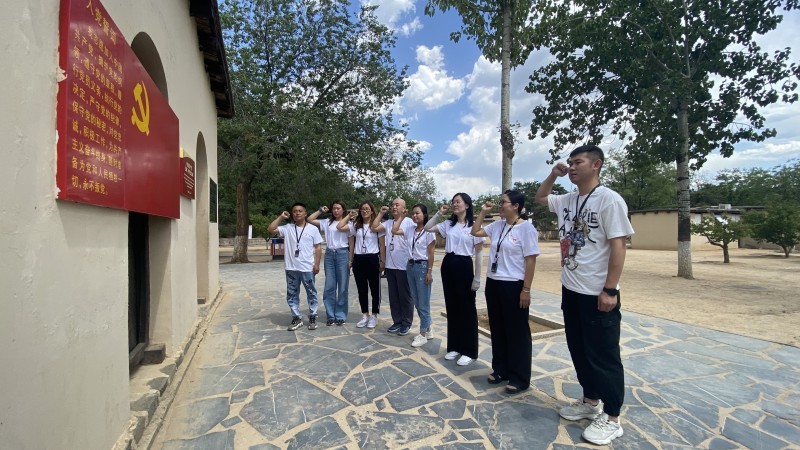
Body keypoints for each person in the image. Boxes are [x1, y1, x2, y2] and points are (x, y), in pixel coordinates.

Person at [535, 145, 634, 446]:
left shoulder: (609, 200)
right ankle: (590, 402)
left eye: (578, 162)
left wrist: (610, 289)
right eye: (570, 162)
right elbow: (541, 198)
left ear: (596, 165)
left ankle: (613, 418)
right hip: (571, 288)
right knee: (579, 349)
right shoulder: (568, 199)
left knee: (604, 355)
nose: (572, 167)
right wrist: (553, 175)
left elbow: (619, 246)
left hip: (596, 292)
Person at [472, 190, 540, 394]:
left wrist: (526, 289)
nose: (500, 205)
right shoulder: (497, 225)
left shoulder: (526, 229)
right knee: (498, 328)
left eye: (504, 202)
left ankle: (519, 377)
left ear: (516, 206)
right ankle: (501, 369)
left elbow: (530, 261)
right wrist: (483, 213)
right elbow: (475, 231)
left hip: (514, 285)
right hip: (494, 283)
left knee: (517, 332)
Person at [425, 193, 484, 366]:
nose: (454, 204)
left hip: (464, 265)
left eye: (458, 201)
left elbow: (479, 252)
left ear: (467, 205)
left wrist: (477, 277)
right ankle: (455, 346)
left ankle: (469, 350)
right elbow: (427, 227)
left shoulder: (474, 226)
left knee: (467, 308)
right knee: (452, 306)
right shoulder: (448, 224)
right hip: (449, 263)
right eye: (453, 202)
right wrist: (439, 213)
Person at [268, 203, 323, 331]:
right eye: (295, 211)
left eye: (300, 211)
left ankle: (313, 316)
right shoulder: (287, 228)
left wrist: (317, 264)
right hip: (291, 267)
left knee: (311, 292)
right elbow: (271, 229)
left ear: (305, 213)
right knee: (292, 294)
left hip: (307, 268)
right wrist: (281, 217)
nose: (297, 213)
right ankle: (296, 317)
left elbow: (318, 247)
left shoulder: (313, 229)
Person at [392, 203, 436, 347]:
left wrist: (429, 271)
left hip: (422, 266)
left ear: (424, 215)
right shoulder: (410, 229)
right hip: (410, 266)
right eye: (413, 213)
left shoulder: (429, 231)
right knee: (417, 301)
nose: (415, 215)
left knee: (423, 302)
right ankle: (428, 328)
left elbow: (431, 253)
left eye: (418, 213)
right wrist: (401, 217)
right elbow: (394, 230)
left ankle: (422, 334)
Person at [338, 201, 385, 329]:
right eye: (362, 209)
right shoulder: (356, 225)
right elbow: (340, 226)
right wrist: (349, 215)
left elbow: (382, 245)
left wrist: (382, 261)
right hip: (359, 259)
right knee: (361, 289)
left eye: (367, 209)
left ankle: (374, 315)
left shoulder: (377, 226)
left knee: (375, 289)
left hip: (372, 258)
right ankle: (365, 314)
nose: (364, 211)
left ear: (372, 211)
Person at [371, 199, 415, 335]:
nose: (394, 207)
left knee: (405, 296)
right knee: (394, 296)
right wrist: (380, 213)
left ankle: (406, 323)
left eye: (397, 205)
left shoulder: (409, 222)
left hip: (404, 265)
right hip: (390, 265)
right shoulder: (388, 222)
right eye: (393, 205)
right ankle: (397, 321)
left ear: (404, 208)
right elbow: (374, 227)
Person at [307, 202, 353, 326]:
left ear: (343, 210)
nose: (336, 210)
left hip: (342, 253)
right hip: (329, 254)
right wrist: (320, 211)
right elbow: (309, 219)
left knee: (343, 286)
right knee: (329, 286)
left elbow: (351, 241)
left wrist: (351, 258)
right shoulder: (327, 222)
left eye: (338, 208)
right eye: (334, 208)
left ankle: (341, 315)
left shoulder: (349, 224)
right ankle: (330, 315)